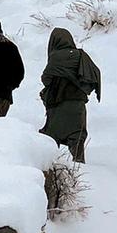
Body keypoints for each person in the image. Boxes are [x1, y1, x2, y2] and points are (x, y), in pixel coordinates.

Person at [39, 28, 101, 163]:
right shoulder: (80, 56)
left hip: (58, 104)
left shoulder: (55, 57)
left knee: (51, 135)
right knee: (77, 136)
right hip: (78, 103)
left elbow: (46, 79)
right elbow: (94, 73)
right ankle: (79, 164)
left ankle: (52, 167)